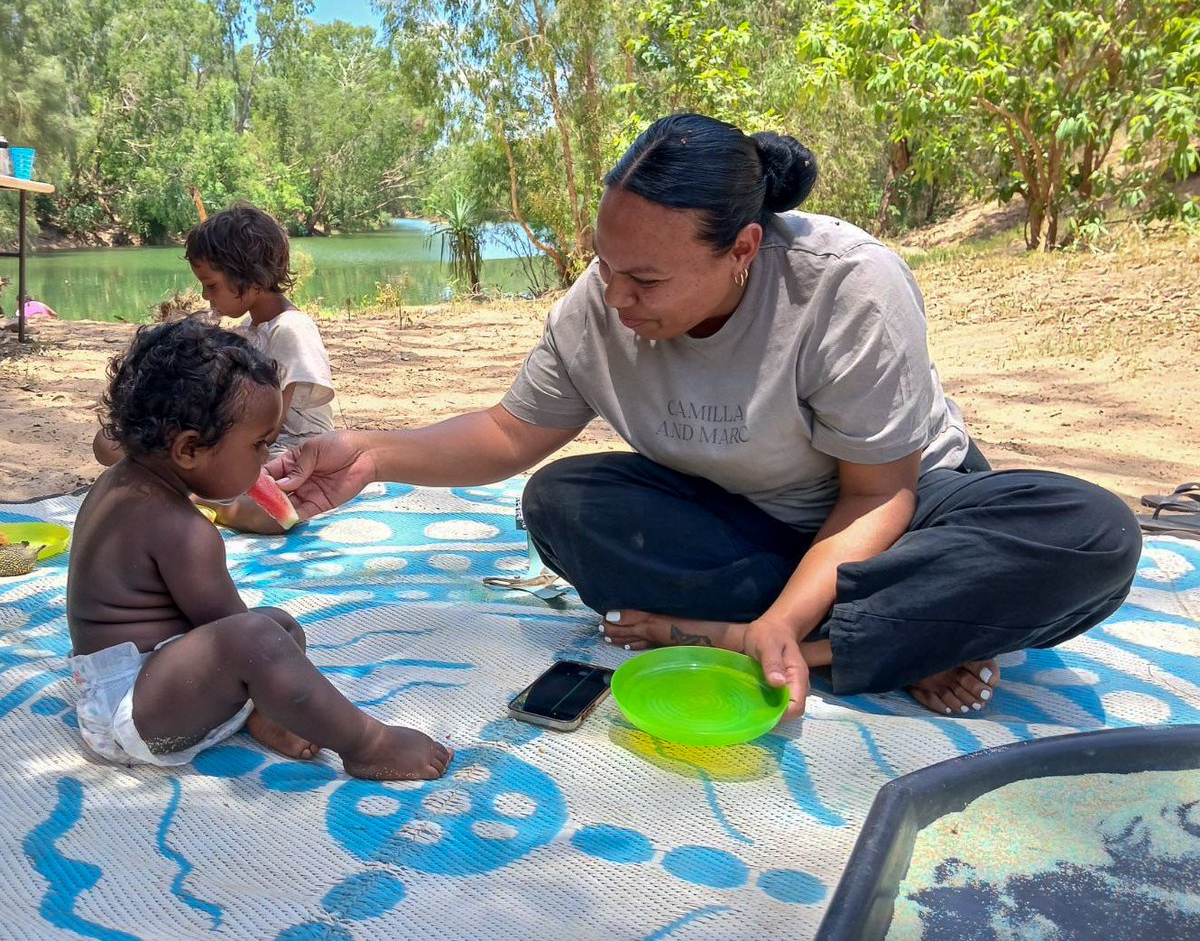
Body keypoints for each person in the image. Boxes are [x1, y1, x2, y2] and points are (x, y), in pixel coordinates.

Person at [267, 112, 1141, 721]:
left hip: (905, 511)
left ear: (744, 251)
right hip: (750, 523)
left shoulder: (846, 286)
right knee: (563, 500)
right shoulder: (596, 305)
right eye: (605, 265)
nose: (616, 297)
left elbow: (876, 495)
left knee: (1093, 533)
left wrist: (784, 618)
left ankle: (774, 638)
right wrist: (372, 453)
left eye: (645, 280)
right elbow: (511, 432)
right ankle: (904, 632)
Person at [68, 317, 452, 780]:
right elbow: (235, 635)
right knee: (260, 637)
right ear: (188, 450)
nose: (266, 459)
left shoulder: (119, 484)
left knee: (279, 626)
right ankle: (367, 744)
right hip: (134, 717)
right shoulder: (184, 532)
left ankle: (266, 714)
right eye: (258, 445)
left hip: (143, 685)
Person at [94, 203, 336, 533]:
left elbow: (270, 428)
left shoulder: (291, 330)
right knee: (108, 444)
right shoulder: (250, 328)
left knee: (279, 516)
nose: (207, 297)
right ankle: (205, 492)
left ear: (249, 278)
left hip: (284, 454)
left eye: (211, 286)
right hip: (239, 444)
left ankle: (205, 503)